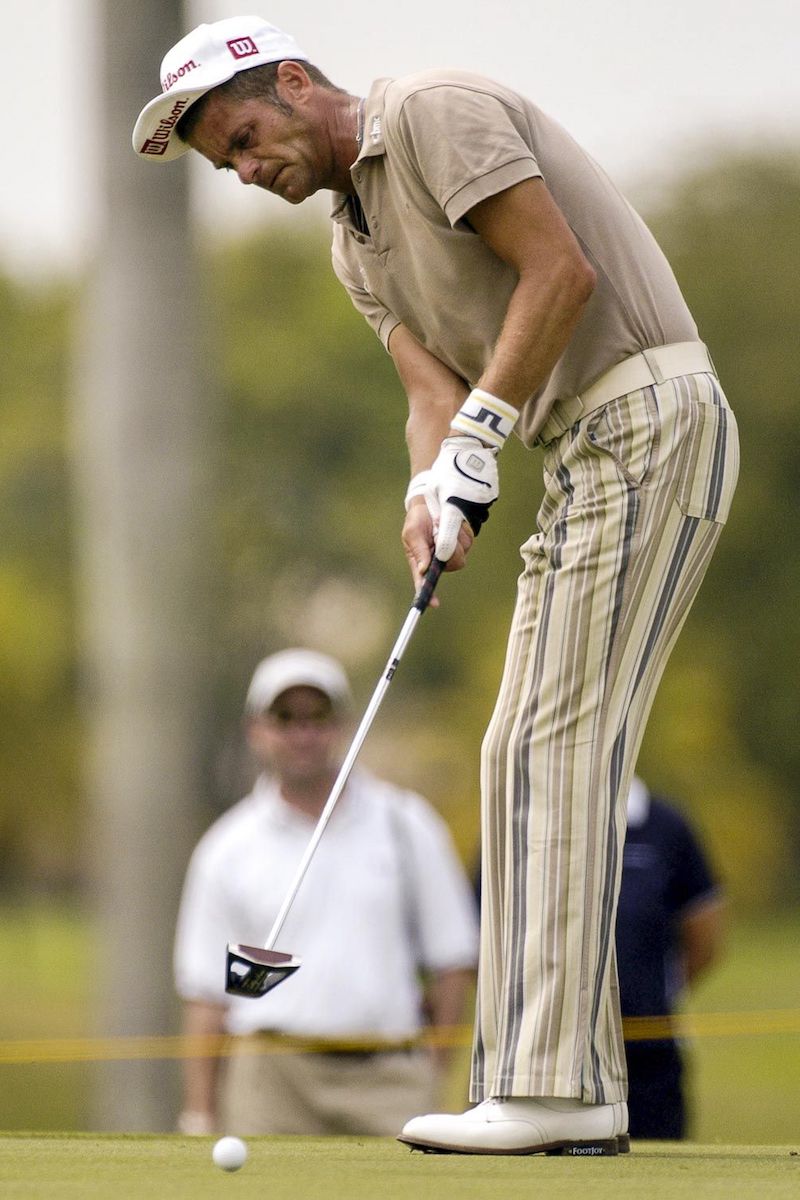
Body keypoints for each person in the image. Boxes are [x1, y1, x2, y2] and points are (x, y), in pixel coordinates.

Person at [134, 16, 740, 1154]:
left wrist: (482, 427)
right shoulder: (350, 246)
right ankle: (559, 1084)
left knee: (548, 747)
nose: (250, 171)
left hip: (648, 415)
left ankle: (552, 1090)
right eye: (230, 165)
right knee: (519, 748)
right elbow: (432, 397)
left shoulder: (428, 110)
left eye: (248, 137)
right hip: (579, 451)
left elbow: (560, 272)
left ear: (297, 85)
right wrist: (431, 494)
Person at [174, 648, 479, 1136]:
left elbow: (453, 959)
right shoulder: (225, 848)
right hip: (270, 1079)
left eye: (318, 718)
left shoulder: (406, 825)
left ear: (343, 727)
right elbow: (207, 995)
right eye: (285, 718)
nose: (303, 734)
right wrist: (199, 1112)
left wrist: (433, 1069)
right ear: (257, 730)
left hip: (389, 1074)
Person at [617, 776, 725, 1140]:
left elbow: (705, 932)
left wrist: (660, 991)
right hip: (550, 1057)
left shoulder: (666, 825)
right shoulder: (526, 817)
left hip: (649, 1054)